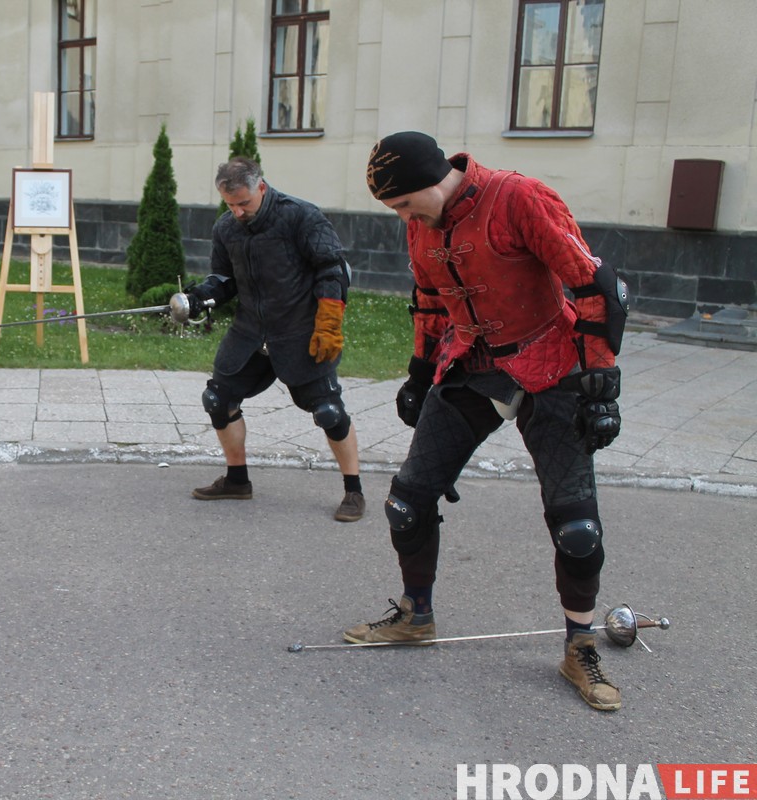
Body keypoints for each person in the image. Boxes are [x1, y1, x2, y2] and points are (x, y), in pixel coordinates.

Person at [347, 132, 629, 711]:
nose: (403, 217)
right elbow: (429, 301)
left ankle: (579, 647)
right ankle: (414, 614)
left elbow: (594, 286)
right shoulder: (421, 221)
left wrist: (602, 385)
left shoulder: (520, 198)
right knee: (407, 501)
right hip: (472, 365)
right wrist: (419, 374)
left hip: (553, 364)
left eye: (402, 204)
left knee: (577, 529)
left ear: (428, 182)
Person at [184, 157, 365, 522]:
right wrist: (198, 298)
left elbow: (332, 267)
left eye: (244, 204)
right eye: (230, 204)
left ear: (261, 188)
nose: (237, 212)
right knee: (218, 400)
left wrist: (329, 322)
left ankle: (354, 491)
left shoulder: (300, 216)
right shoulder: (226, 228)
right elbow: (224, 279)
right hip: (250, 332)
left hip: (300, 331)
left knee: (328, 412)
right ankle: (237, 481)